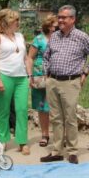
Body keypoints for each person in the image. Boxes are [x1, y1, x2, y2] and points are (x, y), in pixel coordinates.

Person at [40, 5, 89, 164]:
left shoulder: (82, 37)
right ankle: (57, 151)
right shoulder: (54, 36)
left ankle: (73, 151)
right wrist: (46, 73)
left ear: (73, 19)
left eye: (63, 17)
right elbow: (46, 57)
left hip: (70, 82)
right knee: (56, 118)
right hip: (52, 81)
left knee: (70, 118)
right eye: (59, 17)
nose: (60, 20)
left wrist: (85, 72)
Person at [0, 9, 32, 155]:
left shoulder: (20, 36)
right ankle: (2, 140)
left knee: (22, 110)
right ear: (6, 22)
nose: (18, 23)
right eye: (16, 20)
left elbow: (26, 58)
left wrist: (29, 76)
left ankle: (22, 142)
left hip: (21, 78)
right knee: (4, 110)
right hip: (4, 76)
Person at [26, 14, 56, 148]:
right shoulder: (38, 39)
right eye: (55, 25)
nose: (58, 27)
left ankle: (60, 135)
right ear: (49, 26)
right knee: (42, 107)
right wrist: (30, 75)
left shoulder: (61, 38)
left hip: (56, 75)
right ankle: (45, 134)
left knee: (57, 106)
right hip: (39, 76)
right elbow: (30, 58)